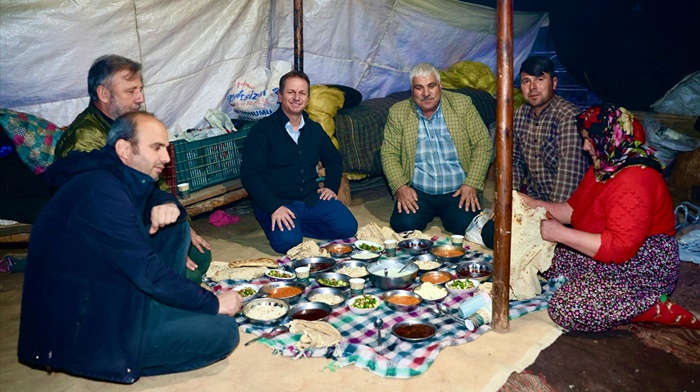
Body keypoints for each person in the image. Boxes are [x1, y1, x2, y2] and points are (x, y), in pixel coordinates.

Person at [17, 111, 243, 383]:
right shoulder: (102, 193)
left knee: (175, 225)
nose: (167, 158)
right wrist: (212, 303)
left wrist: (168, 203)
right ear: (124, 149)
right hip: (82, 330)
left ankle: (157, 312)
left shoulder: (113, 176)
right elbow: (146, 270)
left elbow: (149, 199)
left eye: (166, 148)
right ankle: (114, 359)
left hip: (108, 296)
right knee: (224, 331)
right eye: (156, 148)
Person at [521, 104, 698, 332]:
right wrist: (535, 204)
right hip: (614, 256)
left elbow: (620, 248)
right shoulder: (605, 167)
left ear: (609, 137)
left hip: (643, 266)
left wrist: (561, 234)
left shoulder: (635, 180)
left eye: (588, 139)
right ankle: (602, 289)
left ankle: (649, 305)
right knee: (540, 258)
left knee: (567, 307)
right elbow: (574, 210)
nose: (585, 147)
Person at [55, 54, 211, 283]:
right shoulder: (82, 141)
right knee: (188, 275)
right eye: (130, 91)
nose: (140, 98)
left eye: (140, 89)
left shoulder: (130, 124)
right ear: (104, 94)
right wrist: (161, 250)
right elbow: (106, 214)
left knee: (201, 256)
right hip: (105, 241)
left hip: (139, 219)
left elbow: (155, 182)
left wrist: (182, 226)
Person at [240, 70, 358, 254]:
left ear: (307, 98)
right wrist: (273, 207)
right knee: (288, 243)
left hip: (312, 198)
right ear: (280, 96)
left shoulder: (313, 129)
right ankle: (277, 221)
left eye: (302, 93)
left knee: (348, 228)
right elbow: (250, 175)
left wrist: (330, 187)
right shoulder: (262, 131)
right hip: (278, 202)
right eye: (290, 92)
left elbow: (334, 158)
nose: (296, 98)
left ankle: (297, 224)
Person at [380, 63, 494, 248]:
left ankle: (459, 209)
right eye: (419, 88)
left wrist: (471, 183)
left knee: (463, 225)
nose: (426, 93)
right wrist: (400, 186)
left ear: (440, 86)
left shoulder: (461, 104)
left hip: (458, 188)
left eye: (431, 86)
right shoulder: (399, 112)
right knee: (403, 225)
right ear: (412, 90)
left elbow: (483, 143)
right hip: (419, 190)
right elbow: (388, 152)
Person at [513, 56, 589, 202]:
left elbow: (569, 175)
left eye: (539, 79)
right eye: (526, 81)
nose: (532, 87)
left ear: (554, 83)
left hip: (568, 206)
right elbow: (514, 162)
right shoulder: (520, 115)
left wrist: (548, 216)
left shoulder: (567, 116)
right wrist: (512, 201)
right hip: (534, 199)